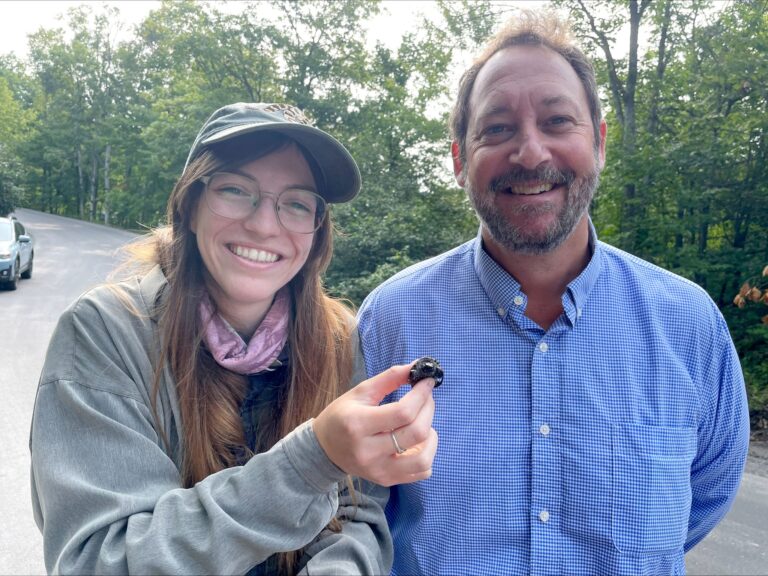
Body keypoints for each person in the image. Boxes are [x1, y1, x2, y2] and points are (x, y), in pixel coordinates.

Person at [357, 11, 750, 575]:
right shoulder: (390, 320)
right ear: (458, 159)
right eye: (496, 128)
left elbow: (704, 496)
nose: (531, 153)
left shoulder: (688, 324)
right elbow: (360, 509)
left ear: (600, 142)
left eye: (558, 120)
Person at [29, 102, 438, 575]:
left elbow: (357, 513)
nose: (265, 224)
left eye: (297, 202)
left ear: (317, 230)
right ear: (191, 204)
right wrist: (311, 462)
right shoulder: (104, 333)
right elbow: (100, 561)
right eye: (236, 190)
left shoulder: (337, 340)